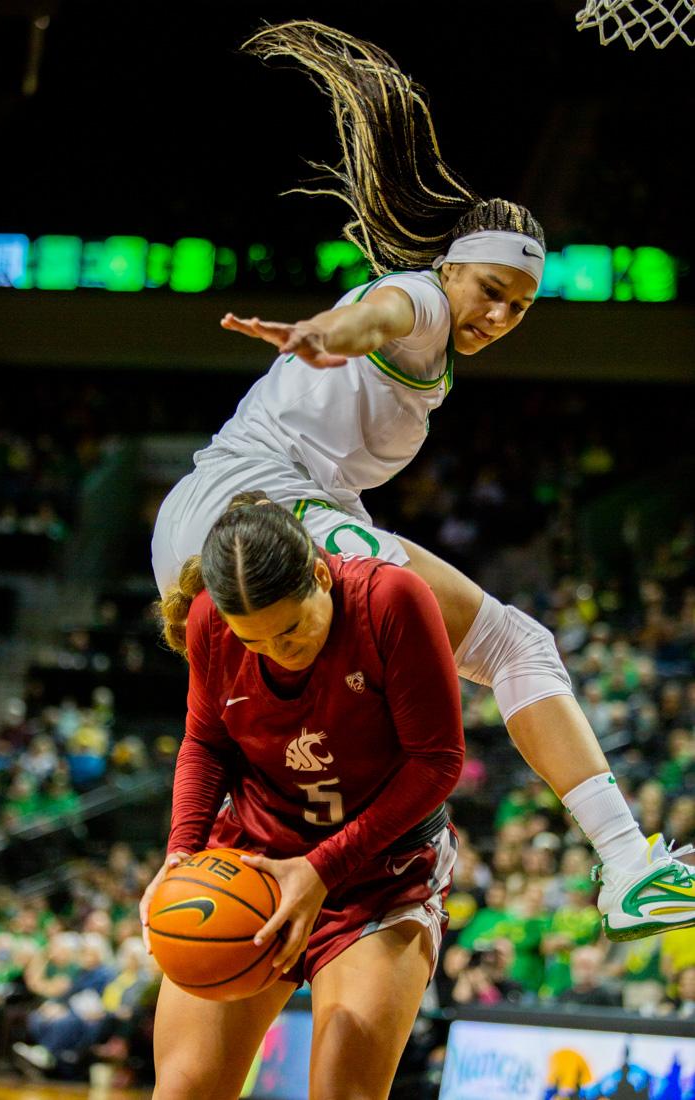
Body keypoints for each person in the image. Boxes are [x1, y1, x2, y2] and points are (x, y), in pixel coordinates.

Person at [150, 19, 695, 942]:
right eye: (491, 290)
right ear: (452, 268)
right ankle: (626, 863)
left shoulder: (435, 316)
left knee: (346, 681)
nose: (498, 314)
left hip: (220, 519)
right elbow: (382, 313)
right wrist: (327, 336)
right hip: (265, 503)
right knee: (514, 646)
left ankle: (252, 858)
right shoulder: (421, 303)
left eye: (518, 306)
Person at [141, 493, 465, 1099]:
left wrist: (321, 869)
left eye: (290, 629)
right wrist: (182, 853)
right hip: (254, 864)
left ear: (320, 574)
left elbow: (439, 761)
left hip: (379, 875)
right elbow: (204, 744)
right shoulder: (209, 619)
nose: (278, 651)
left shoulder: (391, 600)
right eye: (255, 641)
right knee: (184, 1090)